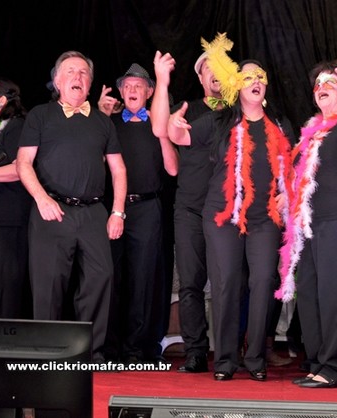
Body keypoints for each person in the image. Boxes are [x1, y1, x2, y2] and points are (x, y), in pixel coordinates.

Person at [170, 35, 294, 382]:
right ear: (237, 85)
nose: (255, 81)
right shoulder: (220, 120)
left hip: (264, 216)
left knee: (263, 280)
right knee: (225, 282)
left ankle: (255, 358)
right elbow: (180, 137)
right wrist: (173, 125)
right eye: (248, 76)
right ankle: (225, 360)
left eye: (260, 76)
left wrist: (288, 193)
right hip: (222, 214)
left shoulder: (279, 124)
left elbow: (293, 166)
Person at [16, 51, 127, 361]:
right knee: (48, 285)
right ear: (57, 81)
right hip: (52, 209)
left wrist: (118, 211)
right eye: (70, 71)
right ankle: (46, 354)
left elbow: (118, 169)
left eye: (83, 72)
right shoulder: (40, 115)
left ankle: (90, 352)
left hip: (93, 213)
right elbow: (23, 163)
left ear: (89, 83)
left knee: (100, 278)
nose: (77, 76)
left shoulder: (102, 122)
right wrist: (42, 199)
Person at [277, 59, 337, 388]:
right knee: (310, 292)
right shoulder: (313, 130)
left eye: (330, 82)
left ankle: (335, 367)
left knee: (333, 291)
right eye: (317, 85)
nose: (322, 89)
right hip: (311, 222)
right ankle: (317, 362)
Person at [150, 45, 225, 373]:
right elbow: (159, 129)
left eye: (221, 66)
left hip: (228, 210)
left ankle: (229, 351)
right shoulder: (188, 109)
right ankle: (196, 351)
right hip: (191, 208)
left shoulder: (241, 111)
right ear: (200, 77)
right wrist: (162, 81)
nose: (215, 71)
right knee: (191, 282)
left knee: (230, 283)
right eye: (208, 67)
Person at [98, 63, 178, 364]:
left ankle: (137, 349)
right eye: (127, 86)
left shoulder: (159, 125)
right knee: (110, 276)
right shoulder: (108, 123)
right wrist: (100, 117)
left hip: (147, 207)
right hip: (111, 208)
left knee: (143, 278)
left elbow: (173, 169)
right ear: (120, 92)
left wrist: (163, 132)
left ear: (150, 91)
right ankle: (109, 348)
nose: (132, 90)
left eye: (138, 86)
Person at [0, 77, 32, 319]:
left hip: (6, 221)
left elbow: (20, 169)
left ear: (2, 100)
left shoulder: (17, 127)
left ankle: (5, 339)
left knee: (4, 289)